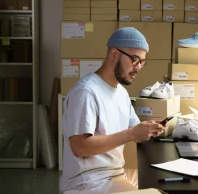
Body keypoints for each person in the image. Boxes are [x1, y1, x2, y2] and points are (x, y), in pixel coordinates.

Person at [60, 27, 166, 194]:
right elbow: (79, 147)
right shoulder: (86, 92)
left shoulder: (121, 93)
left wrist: (151, 129)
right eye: (135, 59)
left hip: (114, 175)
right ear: (115, 54)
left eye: (142, 62)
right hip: (89, 183)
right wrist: (131, 134)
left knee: (161, 183)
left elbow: (134, 129)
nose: (138, 67)